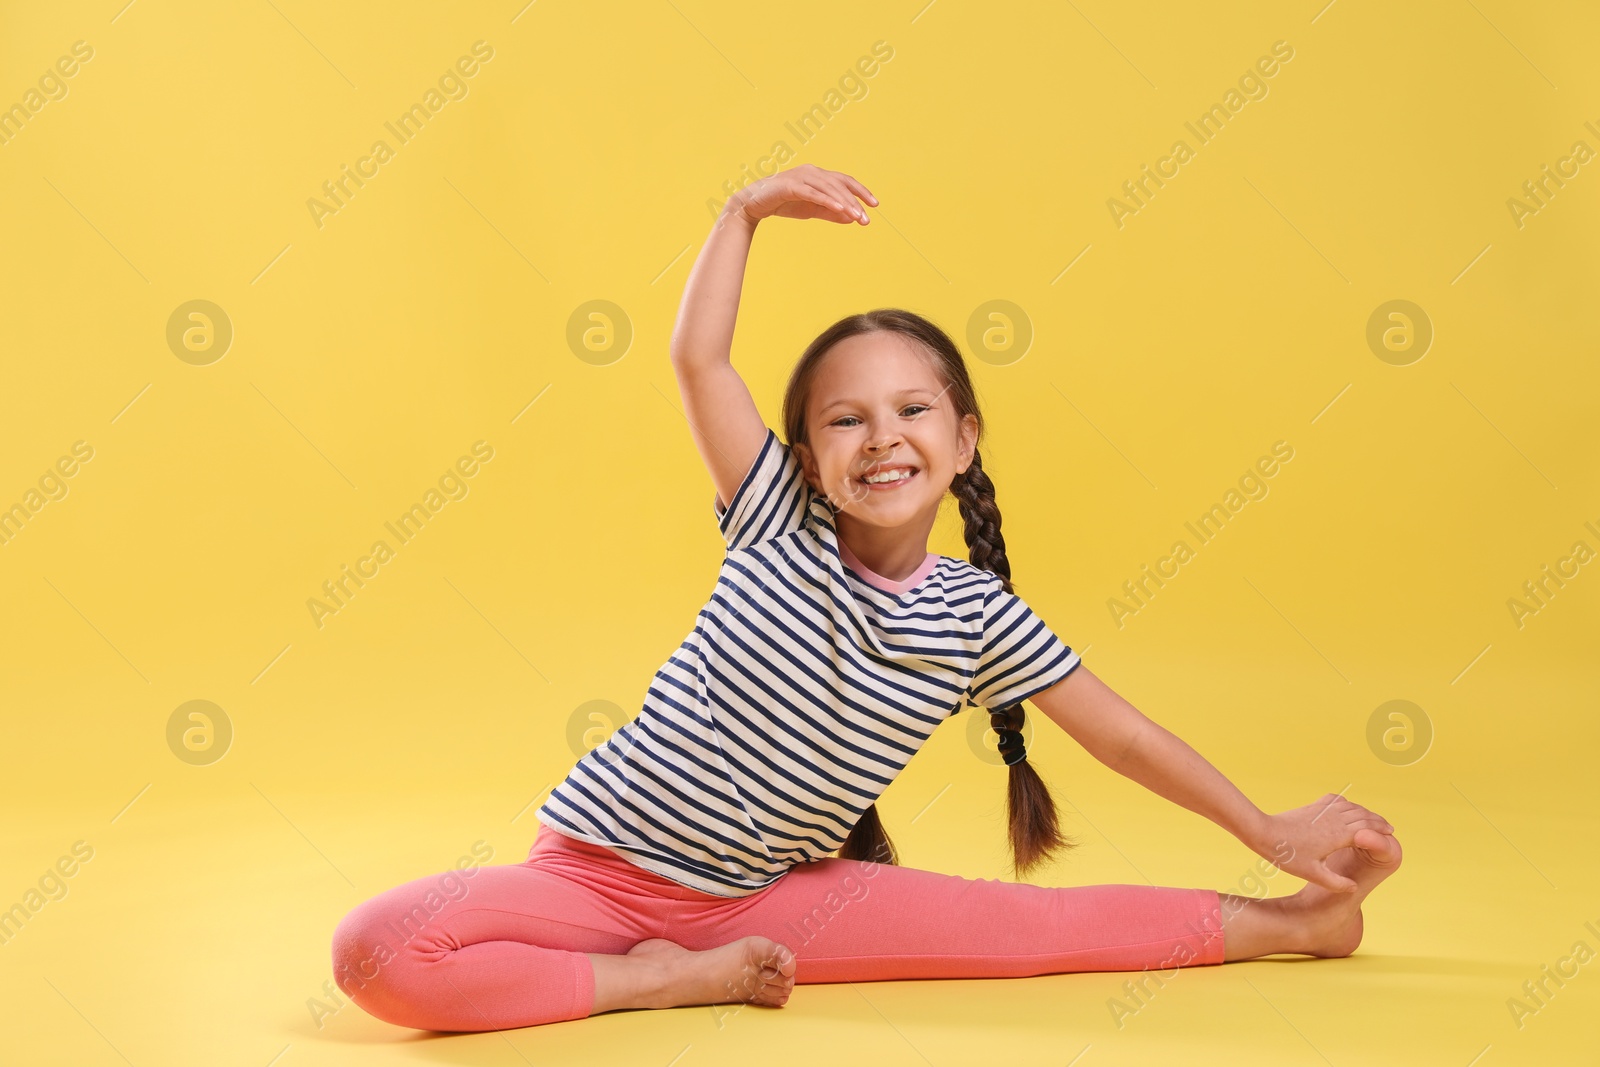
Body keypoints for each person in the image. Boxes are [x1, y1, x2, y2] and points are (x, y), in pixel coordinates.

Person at [330, 163, 1402, 1033]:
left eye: (911, 409)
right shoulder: (773, 519)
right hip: (595, 877)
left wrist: (1269, 830)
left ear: (962, 438)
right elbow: (697, 357)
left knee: (1034, 933)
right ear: (803, 455)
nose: (882, 436)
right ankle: (662, 980)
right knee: (376, 950)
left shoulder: (977, 616)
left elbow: (1123, 737)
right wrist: (743, 212)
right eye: (845, 419)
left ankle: (1298, 925)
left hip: (775, 898)